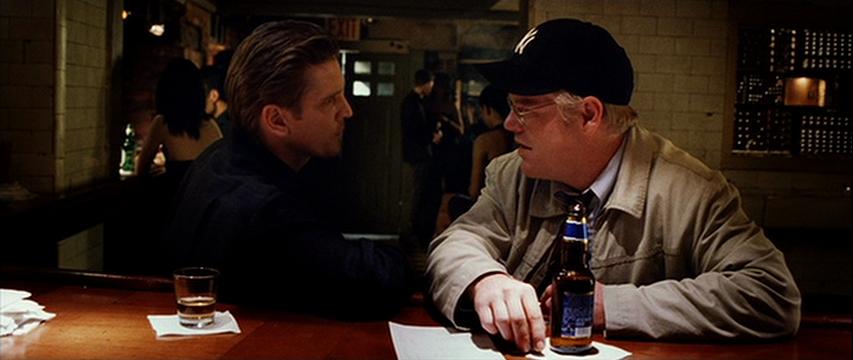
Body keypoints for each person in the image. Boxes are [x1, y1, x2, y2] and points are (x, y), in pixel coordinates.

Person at [426, 18, 801, 353]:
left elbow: (770, 294)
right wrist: (485, 280)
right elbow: (457, 242)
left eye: (524, 108)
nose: (509, 124)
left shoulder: (692, 191)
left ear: (589, 114)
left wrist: (610, 305)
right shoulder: (512, 174)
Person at [166, 20, 411, 318]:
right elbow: (380, 281)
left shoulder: (215, 156)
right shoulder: (266, 211)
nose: (347, 111)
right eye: (330, 101)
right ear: (277, 121)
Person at [136, 58, 223, 189]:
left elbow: (141, 170)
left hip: (179, 202)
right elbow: (223, 166)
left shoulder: (163, 123)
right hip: (210, 201)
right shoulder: (211, 124)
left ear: (165, 91)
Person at [401, 69, 443, 250]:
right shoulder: (412, 103)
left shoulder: (416, 102)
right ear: (426, 83)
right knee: (419, 194)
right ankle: (414, 234)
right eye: (431, 84)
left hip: (419, 153)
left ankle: (416, 233)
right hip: (419, 154)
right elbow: (413, 131)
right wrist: (431, 138)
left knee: (421, 193)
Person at [468, 84, 513, 200]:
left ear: (487, 109)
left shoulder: (484, 141)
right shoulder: (520, 137)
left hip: (492, 204)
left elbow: (475, 191)